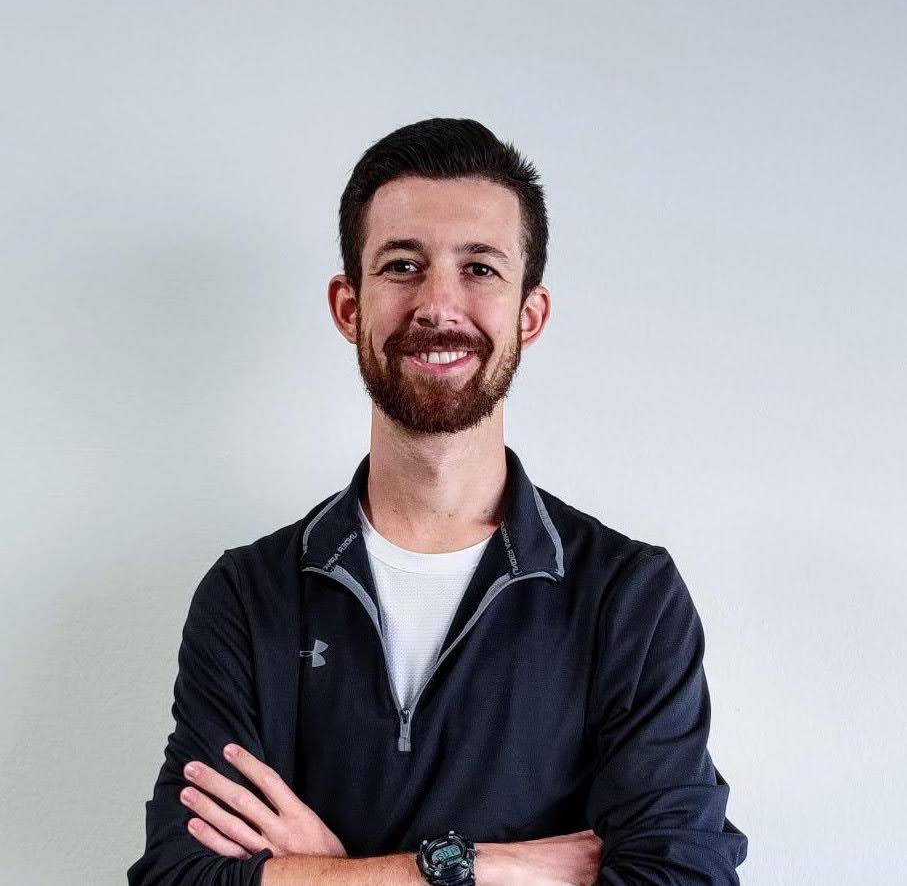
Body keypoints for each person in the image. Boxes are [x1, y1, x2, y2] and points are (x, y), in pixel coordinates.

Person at [128, 117, 748, 886]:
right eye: (401, 265)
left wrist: (324, 873)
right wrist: (490, 868)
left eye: (480, 268)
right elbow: (178, 878)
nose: (437, 304)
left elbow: (679, 877)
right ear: (348, 306)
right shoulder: (250, 593)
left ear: (530, 314)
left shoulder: (626, 595)